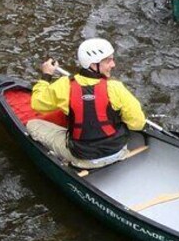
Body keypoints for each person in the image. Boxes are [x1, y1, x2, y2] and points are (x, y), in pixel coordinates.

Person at [27, 39, 145, 169]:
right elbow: (137, 124)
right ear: (93, 65)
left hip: (84, 158)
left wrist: (46, 75)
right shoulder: (116, 87)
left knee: (32, 124)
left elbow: (37, 104)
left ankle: (65, 159)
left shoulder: (64, 85)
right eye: (108, 61)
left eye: (112, 59)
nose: (113, 64)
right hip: (119, 152)